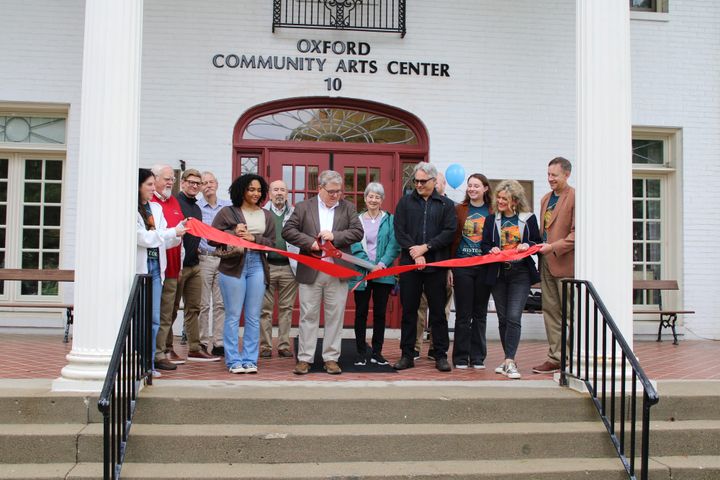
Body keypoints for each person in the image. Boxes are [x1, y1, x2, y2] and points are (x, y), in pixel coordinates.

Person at [282, 170, 364, 375]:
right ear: (320, 188)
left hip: (337, 270)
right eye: (331, 191)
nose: (336, 195)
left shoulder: (348, 208)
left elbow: (357, 232)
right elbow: (288, 231)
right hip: (311, 269)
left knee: (335, 316)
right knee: (308, 315)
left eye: (339, 191)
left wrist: (334, 236)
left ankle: (331, 358)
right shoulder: (303, 207)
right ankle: (305, 358)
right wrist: (310, 243)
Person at [393, 162, 457, 372]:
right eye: (416, 181)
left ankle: (440, 355)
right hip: (410, 267)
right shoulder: (405, 203)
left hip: (436, 266)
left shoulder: (446, 205)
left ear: (433, 181)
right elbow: (399, 231)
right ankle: (407, 355)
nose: (418, 185)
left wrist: (426, 248)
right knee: (409, 312)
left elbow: (449, 232)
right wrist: (415, 251)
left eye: (423, 181)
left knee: (438, 313)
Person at [212, 174, 276, 374]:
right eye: (251, 189)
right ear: (241, 190)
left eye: (258, 190)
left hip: (257, 264)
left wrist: (253, 238)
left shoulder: (266, 215)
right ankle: (233, 360)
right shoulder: (227, 212)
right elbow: (212, 238)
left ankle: (249, 359)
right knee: (232, 315)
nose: (255, 193)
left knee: (253, 316)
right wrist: (233, 233)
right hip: (233, 266)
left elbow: (273, 243)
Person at [481, 180, 542, 380]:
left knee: (514, 316)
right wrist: (492, 248)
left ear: (514, 201)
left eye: (504, 199)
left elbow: (537, 242)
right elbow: (484, 245)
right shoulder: (491, 220)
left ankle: (509, 360)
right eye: (498, 198)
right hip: (498, 274)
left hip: (520, 274)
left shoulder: (528, 219)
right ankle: (508, 360)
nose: (500, 201)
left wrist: (527, 245)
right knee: (503, 318)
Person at [136, 168, 185, 377]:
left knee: (155, 317)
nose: (152, 187)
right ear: (137, 187)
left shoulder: (156, 208)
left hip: (157, 269)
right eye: (148, 184)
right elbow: (143, 238)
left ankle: (149, 364)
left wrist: (179, 231)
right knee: (139, 317)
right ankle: (137, 360)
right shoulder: (128, 209)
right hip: (139, 269)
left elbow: (164, 239)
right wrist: (171, 232)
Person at [349, 182, 401, 366]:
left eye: (377, 197)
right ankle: (361, 353)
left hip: (383, 273)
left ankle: (377, 352)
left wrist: (381, 264)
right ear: (365, 198)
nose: (373, 200)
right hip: (362, 273)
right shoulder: (357, 220)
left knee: (380, 314)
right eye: (370, 196)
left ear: (382, 200)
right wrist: (370, 266)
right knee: (360, 313)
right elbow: (354, 244)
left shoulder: (390, 219)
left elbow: (394, 245)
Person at [533, 157, 575, 374]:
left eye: (554, 175)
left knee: (569, 314)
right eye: (548, 174)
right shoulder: (545, 199)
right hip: (546, 264)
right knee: (550, 312)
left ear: (566, 175)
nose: (550, 179)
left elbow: (577, 234)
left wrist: (554, 247)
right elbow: (544, 232)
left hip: (564, 265)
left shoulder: (575, 196)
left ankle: (572, 357)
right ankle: (555, 357)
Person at [173, 168, 220, 362]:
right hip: (177, 266)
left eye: (197, 183)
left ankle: (194, 347)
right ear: (182, 182)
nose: (194, 185)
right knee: (172, 308)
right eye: (190, 182)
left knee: (194, 308)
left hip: (194, 264)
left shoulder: (197, 208)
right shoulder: (176, 203)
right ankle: (166, 348)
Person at [449, 173, 493, 369]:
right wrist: (450, 267)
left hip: (484, 268)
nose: (472, 189)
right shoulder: (459, 210)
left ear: (485, 188)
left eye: (477, 186)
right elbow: (452, 239)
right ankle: (460, 357)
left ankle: (477, 357)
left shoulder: (492, 211)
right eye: (470, 185)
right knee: (463, 314)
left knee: (480, 314)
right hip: (462, 267)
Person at [150, 164, 186, 370]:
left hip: (172, 267)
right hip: (155, 268)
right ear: (154, 179)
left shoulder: (174, 201)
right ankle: (155, 353)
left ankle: (161, 351)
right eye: (167, 178)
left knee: (167, 314)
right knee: (155, 313)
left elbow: (178, 236)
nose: (171, 182)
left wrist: (179, 264)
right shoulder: (149, 203)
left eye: (173, 178)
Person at [415, 171, 454, 360]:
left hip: (441, 266)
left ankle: (437, 348)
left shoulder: (450, 207)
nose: (435, 185)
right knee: (418, 308)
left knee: (440, 311)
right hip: (418, 266)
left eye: (437, 182)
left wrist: (450, 268)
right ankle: (415, 346)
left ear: (443, 184)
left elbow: (451, 238)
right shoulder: (416, 204)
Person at [259, 180, 299, 359]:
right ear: (269, 193)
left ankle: (283, 345)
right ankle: (265, 346)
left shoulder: (295, 213)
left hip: (289, 268)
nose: (279, 193)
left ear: (287, 193)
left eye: (283, 190)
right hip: (266, 266)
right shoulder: (262, 213)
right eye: (276, 190)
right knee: (264, 309)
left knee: (286, 308)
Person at [197, 171, 231, 357]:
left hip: (223, 258)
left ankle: (218, 342)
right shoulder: (196, 208)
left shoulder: (227, 207)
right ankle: (202, 342)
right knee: (203, 304)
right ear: (201, 187)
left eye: (211, 182)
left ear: (217, 184)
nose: (208, 185)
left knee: (221, 304)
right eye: (204, 183)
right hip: (203, 258)